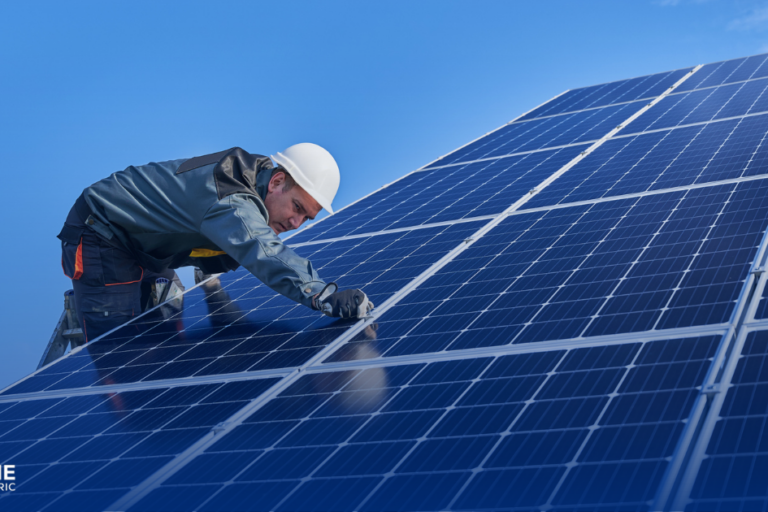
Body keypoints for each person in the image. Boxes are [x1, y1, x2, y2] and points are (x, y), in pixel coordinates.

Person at [58, 143, 373, 343]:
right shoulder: (232, 199)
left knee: (167, 330)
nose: (295, 224)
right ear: (277, 182)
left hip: (151, 246)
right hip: (103, 232)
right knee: (121, 349)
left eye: (306, 218)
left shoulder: (258, 177)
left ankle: (204, 271)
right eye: (297, 208)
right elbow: (262, 251)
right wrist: (320, 295)